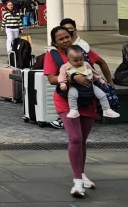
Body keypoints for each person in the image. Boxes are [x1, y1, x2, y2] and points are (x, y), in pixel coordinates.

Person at [44, 26, 109, 196]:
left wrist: (109, 84)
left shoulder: (83, 52)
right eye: (61, 38)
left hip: (87, 99)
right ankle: (77, 181)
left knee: (81, 141)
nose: (65, 40)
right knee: (75, 138)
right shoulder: (52, 55)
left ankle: (80, 173)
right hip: (67, 100)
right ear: (54, 41)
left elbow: (100, 62)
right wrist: (73, 78)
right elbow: (52, 78)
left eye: (68, 36)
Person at [58, 46, 120, 119]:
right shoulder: (65, 67)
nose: (79, 62)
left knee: (102, 95)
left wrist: (101, 80)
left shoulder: (86, 64)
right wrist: (62, 84)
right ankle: (73, 110)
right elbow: (61, 76)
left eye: (81, 59)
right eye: (75, 60)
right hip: (75, 86)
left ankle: (107, 109)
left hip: (90, 85)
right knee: (72, 95)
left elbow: (94, 73)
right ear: (68, 59)